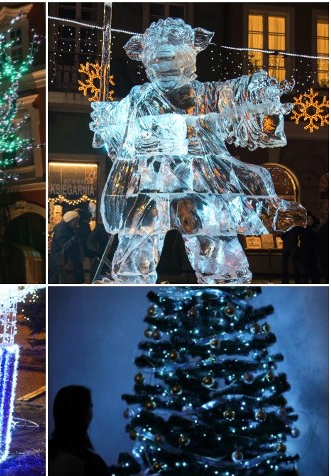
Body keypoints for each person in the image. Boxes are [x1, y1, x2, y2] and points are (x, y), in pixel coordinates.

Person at [90, 18, 306, 284]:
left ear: (191, 53)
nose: (163, 64)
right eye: (155, 59)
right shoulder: (138, 97)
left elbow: (234, 96)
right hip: (148, 179)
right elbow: (118, 133)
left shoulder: (205, 95)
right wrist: (107, 119)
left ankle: (226, 282)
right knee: (138, 237)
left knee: (210, 233)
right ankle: (129, 280)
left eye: (170, 56)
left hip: (200, 178)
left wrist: (256, 92)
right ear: (145, 61)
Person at [49, 210, 84, 284]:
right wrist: (74, 238)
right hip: (60, 262)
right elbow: (63, 246)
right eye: (76, 220)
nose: (78, 222)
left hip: (67, 263)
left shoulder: (70, 228)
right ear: (71, 221)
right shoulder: (62, 230)